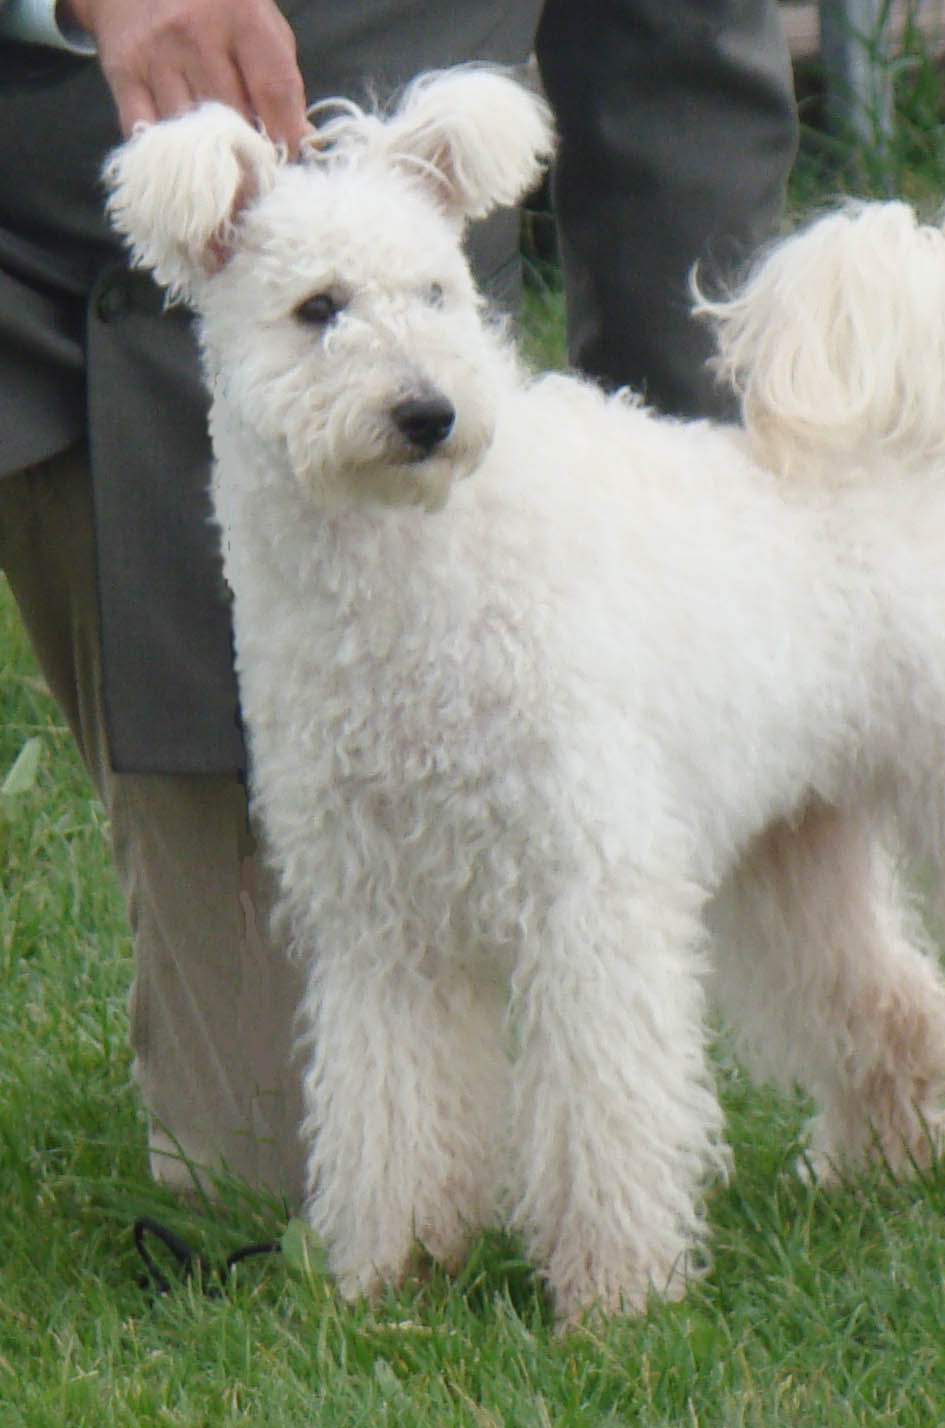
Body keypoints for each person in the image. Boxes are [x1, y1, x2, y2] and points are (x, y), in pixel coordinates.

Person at [0, 0, 797, 1206]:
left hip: (397, 361)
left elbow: (673, 44)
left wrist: (727, 475)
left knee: (257, 1172)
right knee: (276, 1167)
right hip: (43, 262)